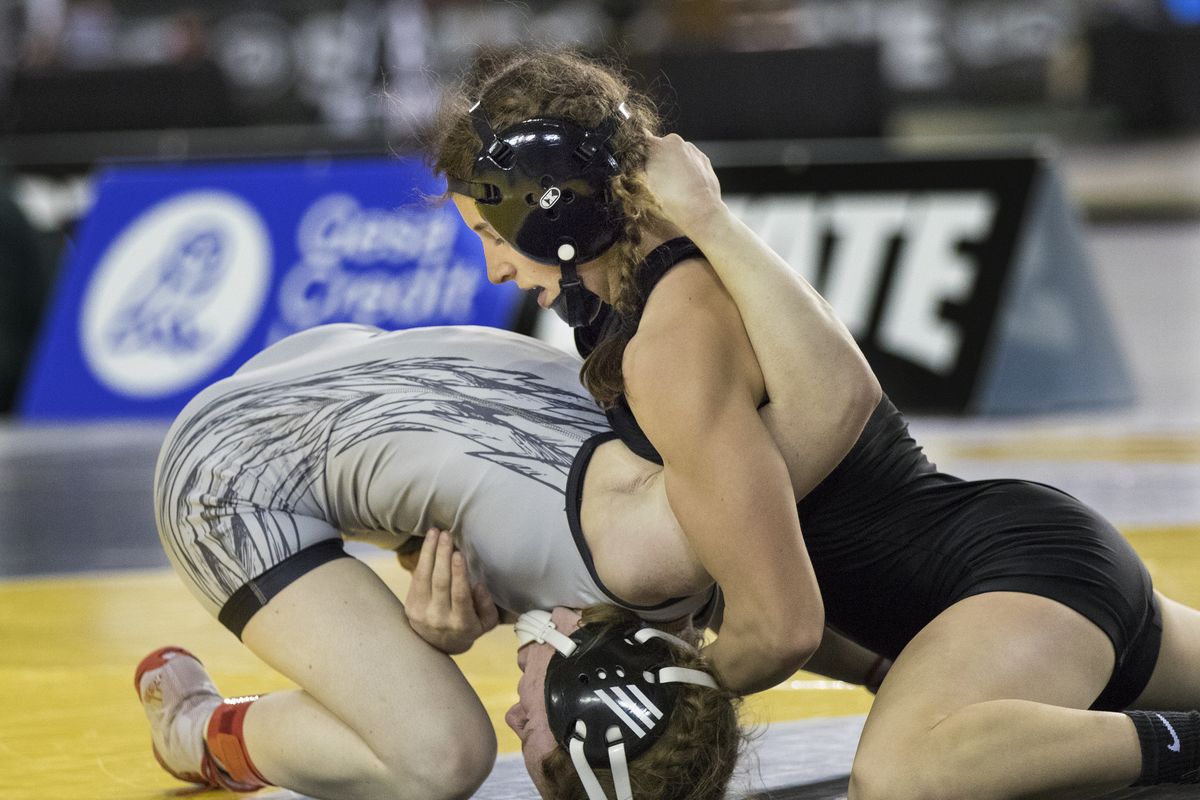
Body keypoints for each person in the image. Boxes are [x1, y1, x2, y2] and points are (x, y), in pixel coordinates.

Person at [432, 46, 1200, 799]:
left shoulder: (670, 338)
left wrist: (646, 691)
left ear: (550, 214)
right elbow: (747, 552)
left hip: (1007, 587)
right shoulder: (634, 300)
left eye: (491, 236)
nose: (495, 269)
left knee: (902, 776)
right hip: (1006, 585)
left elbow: (778, 627)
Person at [137, 322, 750, 800]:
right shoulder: (643, 558)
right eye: (531, 730)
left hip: (320, 363)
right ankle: (198, 732)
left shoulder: (693, 555)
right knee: (444, 757)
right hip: (222, 478)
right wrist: (436, 636)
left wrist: (446, 607)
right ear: (582, 694)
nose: (512, 714)